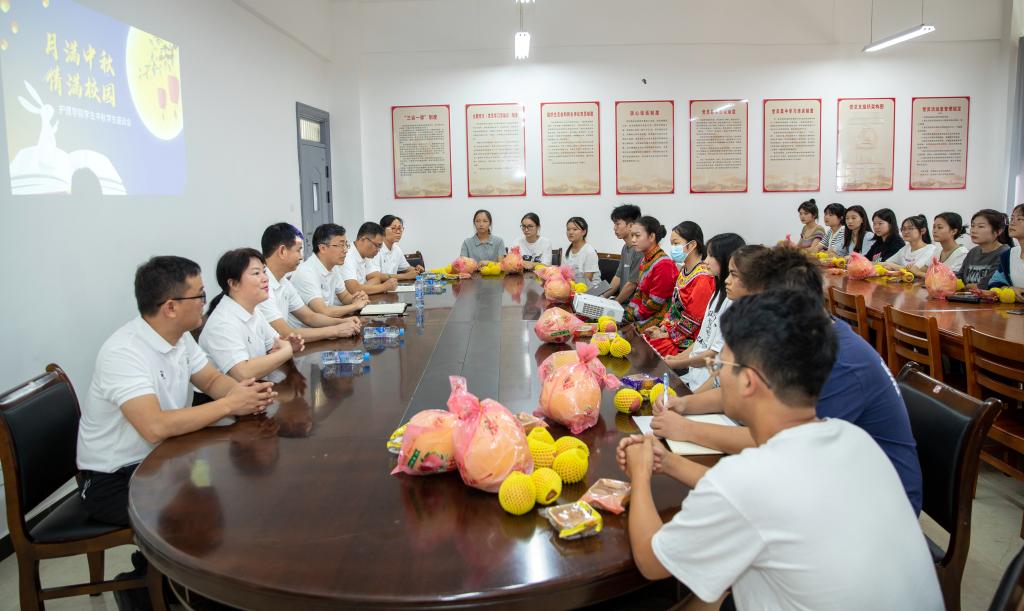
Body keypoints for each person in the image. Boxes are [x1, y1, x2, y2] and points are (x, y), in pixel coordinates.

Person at [619, 290, 941, 610]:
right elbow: (754, 500)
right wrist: (669, 462)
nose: (717, 373)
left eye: (720, 365)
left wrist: (640, 474)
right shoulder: (855, 438)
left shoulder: (748, 478)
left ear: (748, 381)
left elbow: (652, 562)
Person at [653, 246, 924, 514]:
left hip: (872, 504)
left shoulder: (839, 363)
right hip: (822, 475)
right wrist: (685, 404)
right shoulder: (807, 337)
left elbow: (775, 440)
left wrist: (687, 430)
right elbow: (742, 389)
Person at [77, 256, 276, 528]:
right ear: (170, 307)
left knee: (235, 485)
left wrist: (248, 394)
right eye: (200, 295)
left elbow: (211, 380)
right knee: (205, 514)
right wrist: (230, 404)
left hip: (166, 458)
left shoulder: (180, 338)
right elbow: (154, 427)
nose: (205, 302)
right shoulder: (123, 353)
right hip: (116, 476)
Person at [199, 249, 304, 380]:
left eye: (264, 271)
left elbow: (276, 345)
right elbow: (244, 373)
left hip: (257, 386)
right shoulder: (222, 323)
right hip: (228, 392)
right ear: (234, 284)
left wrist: (289, 346)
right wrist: (287, 350)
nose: (265, 278)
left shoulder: (254, 310)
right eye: (256, 273)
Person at [671, 244, 764, 393]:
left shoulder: (742, 314)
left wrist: (678, 363)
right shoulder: (720, 294)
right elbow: (703, 342)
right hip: (698, 378)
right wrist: (676, 360)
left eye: (734, 274)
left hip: (706, 381)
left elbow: (717, 364)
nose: (705, 261)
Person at [258, 223, 361, 342]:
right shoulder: (261, 286)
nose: (301, 257)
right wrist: (335, 330)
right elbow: (285, 333)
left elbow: (310, 317)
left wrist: (342, 322)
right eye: (298, 250)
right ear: (282, 251)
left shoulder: (283, 282)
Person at [645, 222, 715, 357]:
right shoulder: (684, 270)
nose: (673, 248)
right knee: (646, 339)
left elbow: (693, 320)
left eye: (676, 244)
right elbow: (673, 308)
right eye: (672, 244)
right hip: (674, 331)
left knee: (651, 350)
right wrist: (663, 328)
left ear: (692, 245)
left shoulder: (703, 279)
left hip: (690, 339)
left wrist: (666, 334)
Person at [291, 223, 370, 318]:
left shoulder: (333, 267)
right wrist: (355, 306)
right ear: (323, 248)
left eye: (346, 245)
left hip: (326, 322)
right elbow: (323, 311)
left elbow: (344, 296)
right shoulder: (306, 272)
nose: (345, 250)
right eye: (341, 245)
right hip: (308, 326)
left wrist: (357, 299)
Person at [623, 216, 677, 333]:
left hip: (660, 319)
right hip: (644, 314)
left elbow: (655, 303)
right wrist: (628, 313)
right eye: (632, 235)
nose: (633, 240)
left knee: (626, 332)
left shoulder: (664, 264)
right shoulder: (646, 259)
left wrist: (632, 316)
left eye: (637, 236)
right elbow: (639, 292)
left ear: (652, 237)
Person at [600, 204, 643, 304]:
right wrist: (602, 298)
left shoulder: (639, 250)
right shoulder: (625, 248)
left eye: (617, 224)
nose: (614, 228)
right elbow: (618, 277)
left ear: (631, 226)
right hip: (623, 302)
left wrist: (615, 303)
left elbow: (632, 284)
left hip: (633, 306)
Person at [340, 222, 399, 296]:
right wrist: (384, 287)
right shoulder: (347, 255)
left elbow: (376, 278)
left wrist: (362, 289)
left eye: (380, 246)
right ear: (363, 239)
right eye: (377, 245)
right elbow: (354, 289)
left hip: (361, 298)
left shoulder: (366, 254)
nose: (378, 250)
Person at [959, 208, 1012, 289]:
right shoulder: (973, 251)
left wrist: (966, 286)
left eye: (981, 226)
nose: (973, 230)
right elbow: (960, 277)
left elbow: (989, 284)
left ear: (998, 231)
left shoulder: (1005, 253)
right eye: (973, 226)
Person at [908, 212, 969, 278]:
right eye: (934, 227)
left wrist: (918, 273)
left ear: (954, 231)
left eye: (940, 227)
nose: (934, 231)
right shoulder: (938, 250)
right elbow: (925, 269)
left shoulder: (962, 253)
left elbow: (949, 279)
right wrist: (912, 269)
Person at [371, 215, 422, 281]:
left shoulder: (396, 249)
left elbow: (406, 268)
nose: (398, 232)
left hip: (392, 285)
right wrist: (405, 276)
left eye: (400, 228)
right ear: (383, 230)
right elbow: (376, 275)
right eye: (393, 228)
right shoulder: (376, 249)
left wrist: (416, 269)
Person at [989, 203, 1024, 299]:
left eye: (1020, 219)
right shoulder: (1008, 255)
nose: (1012, 223)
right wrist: (1009, 289)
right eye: (1012, 218)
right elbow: (994, 283)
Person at [563, 216, 600, 282]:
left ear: (584, 232)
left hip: (588, 287)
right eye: (568, 229)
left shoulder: (590, 252)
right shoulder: (566, 250)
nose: (570, 232)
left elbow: (586, 281)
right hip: (570, 285)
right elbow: (563, 274)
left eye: (575, 229)